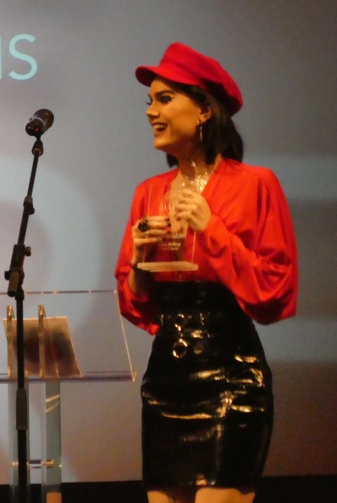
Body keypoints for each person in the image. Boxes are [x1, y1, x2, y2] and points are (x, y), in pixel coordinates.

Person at [114, 42, 298, 503]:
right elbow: (135, 303)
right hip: (166, 375)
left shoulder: (255, 184)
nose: (151, 111)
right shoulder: (148, 192)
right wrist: (139, 260)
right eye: (149, 101)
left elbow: (274, 291)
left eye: (164, 99)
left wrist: (210, 228)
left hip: (230, 372)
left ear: (202, 110)